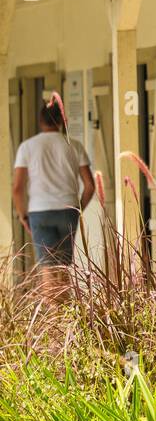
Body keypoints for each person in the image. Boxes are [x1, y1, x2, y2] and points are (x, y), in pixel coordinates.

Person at [12, 100, 95, 300]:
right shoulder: (74, 146)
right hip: (68, 209)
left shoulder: (27, 147)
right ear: (61, 121)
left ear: (41, 122)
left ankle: (53, 318)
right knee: (63, 266)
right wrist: (78, 209)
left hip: (39, 212)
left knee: (47, 268)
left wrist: (23, 214)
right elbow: (90, 186)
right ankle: (64, 317)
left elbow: (17, 188)